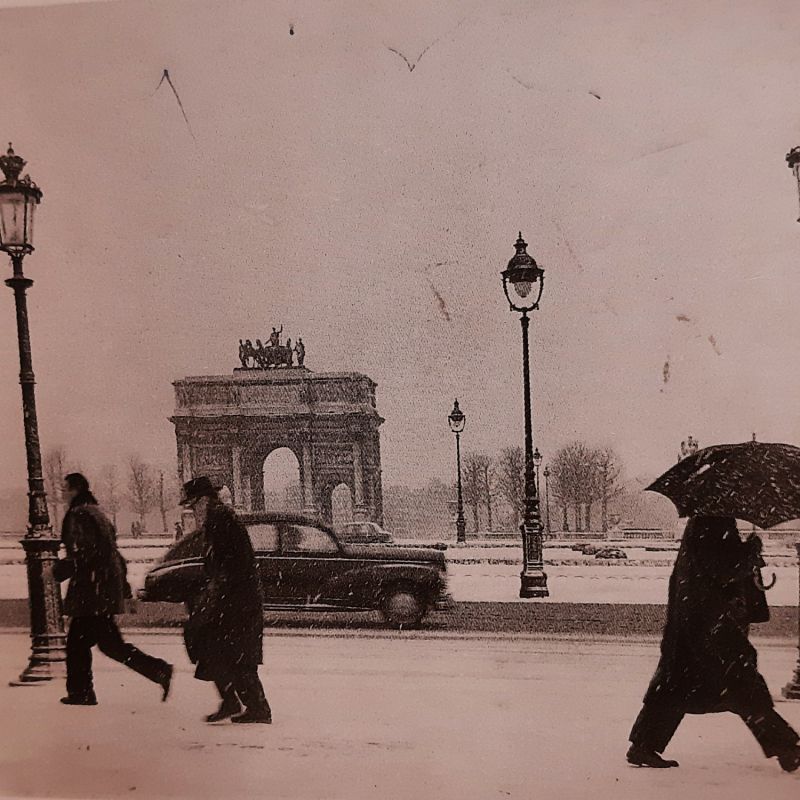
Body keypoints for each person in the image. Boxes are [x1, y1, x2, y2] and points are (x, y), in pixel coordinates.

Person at [627, 515, 800, 772]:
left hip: (696, 618)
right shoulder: (713, 522)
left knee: (676, 684)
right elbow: (721, 569)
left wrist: (743, 550)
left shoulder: (706, 520)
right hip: (711, 622)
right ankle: (787, 749)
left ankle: (643, 744)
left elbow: (714, 564)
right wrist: (749, 551)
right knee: (742, 683)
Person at [56, 473, 173, 706]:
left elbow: (85, 553)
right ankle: (157, 670)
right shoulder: (97, 514)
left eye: (65, 488)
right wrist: (123, 589)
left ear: (76, 489)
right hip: (102, 589)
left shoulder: (79, 515)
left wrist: (58, 571)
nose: (62, 493)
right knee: (109, 645)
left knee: (79, 644)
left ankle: (82, 692)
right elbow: (113, 555)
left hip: (91, 591)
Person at [180, 476, 271, 724]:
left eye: (193, 504)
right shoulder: (217, 519)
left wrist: (213, 595)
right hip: (234, 597)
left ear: (205, 499)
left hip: (236, 600)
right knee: (220, 650)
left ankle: (256, 708)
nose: (192, 510)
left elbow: (228, 566)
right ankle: (239, 702)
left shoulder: (220, 520)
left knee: (233, 653)